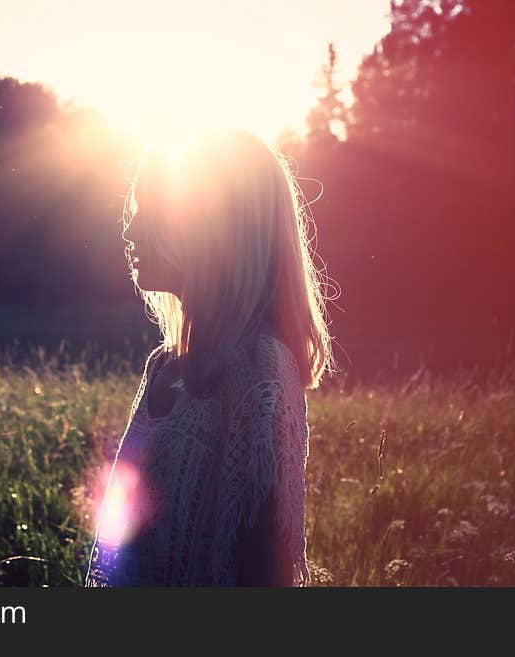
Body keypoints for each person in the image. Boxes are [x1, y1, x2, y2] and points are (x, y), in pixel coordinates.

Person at [84, 127, 336, 587]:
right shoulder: (163, 364)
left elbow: (266, 567)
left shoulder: (260, 372)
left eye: (154, 210)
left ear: (214, 228)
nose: (129, 228)